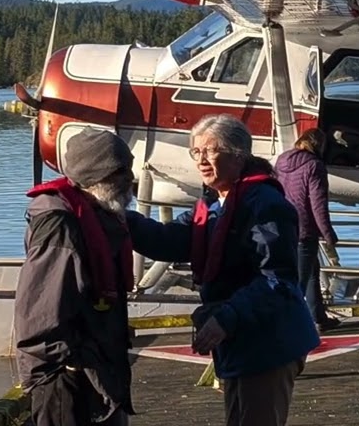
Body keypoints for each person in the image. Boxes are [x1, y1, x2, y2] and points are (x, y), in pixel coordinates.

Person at [126, 114, 318, 426]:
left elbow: (278, 280)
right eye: (196, 152)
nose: (201, 160)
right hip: (241, 340)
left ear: (239, 154)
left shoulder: (265, 205)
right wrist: (117, 217)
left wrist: (226, 318)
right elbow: (169, 240)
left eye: (211, 151)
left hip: (270, 342)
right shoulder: (213, 204)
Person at [14, 128, 137, 426]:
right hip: (67, 378)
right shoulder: (61, 225)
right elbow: (40, 312)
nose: (129, 179)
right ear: (96, 175)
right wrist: (69, 364)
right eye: (120, 171)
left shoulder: (100, 213)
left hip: (97, 367)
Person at [274, 127, 342, 330]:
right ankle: (284, 328)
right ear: (319, 145)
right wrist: (329, 235)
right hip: (304, 231)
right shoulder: (315, 166)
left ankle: (318, 317)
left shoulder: (281, 160)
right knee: (299, 282)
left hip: (282, 226)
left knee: (312, 272)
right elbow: (318, 204)